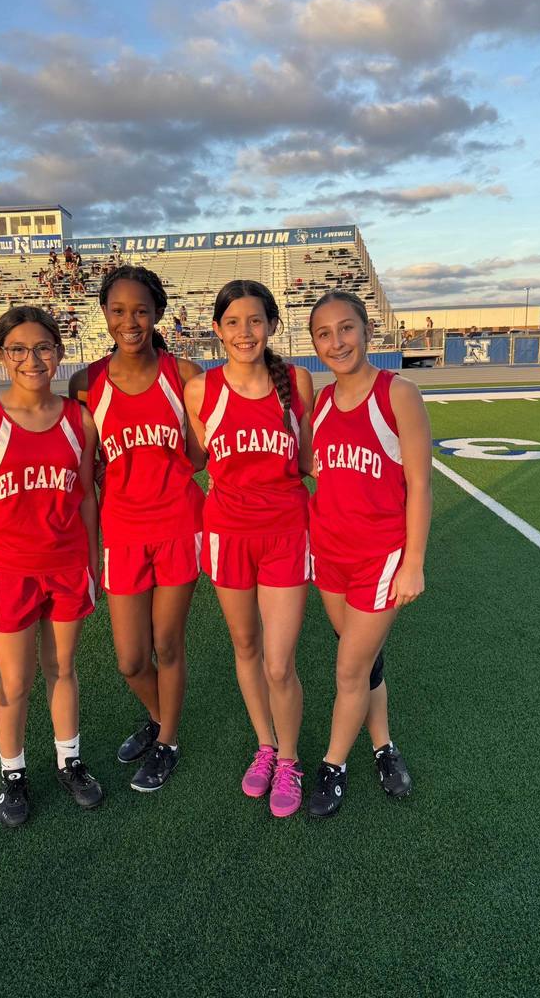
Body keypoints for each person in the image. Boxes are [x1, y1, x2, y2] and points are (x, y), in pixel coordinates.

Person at [0, 305, 103, 828]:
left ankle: (69, 761)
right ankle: (12, 773)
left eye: (42, 348)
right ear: (1, 355)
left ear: (58, 352)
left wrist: (93, 562)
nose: (32, 360)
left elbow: (87, 498)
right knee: (15, 681)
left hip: (66, 565)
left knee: (63, 668)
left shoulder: (79, 419)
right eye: (18, 349)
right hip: (7, 570)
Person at [69, 266, 205, 793]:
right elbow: (86, 460)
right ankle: (158, 716)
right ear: (105, 314)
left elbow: (199, 453)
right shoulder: (87, 384)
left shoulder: (184, 374)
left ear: (157, 314)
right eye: (119, 311)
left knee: (167, 645)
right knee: (130, 659)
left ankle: (168, 741)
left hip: (178, 524)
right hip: (122, 531)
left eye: (141, 311)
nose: (130, 322)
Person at [184, 280, 313, 819]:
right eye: (233, 322)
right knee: (245, 646)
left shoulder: (297, 381)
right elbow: (198, 458)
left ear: (272, 325)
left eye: (255, 320)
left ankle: (290, 758)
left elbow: (307, 461)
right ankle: (265, 744)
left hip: (286, 532)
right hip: (227, 534)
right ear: (217, 329)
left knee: (279, 665)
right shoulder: (200, 390)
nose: (245, 332)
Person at [305, 290, 431, 817]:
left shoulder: (398, 393)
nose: (337, 342)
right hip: (329, 555)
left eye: (346, 328)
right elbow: (316, 469)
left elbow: (420, 485)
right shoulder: (320, 402)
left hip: (380, 559)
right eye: (324, 334)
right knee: (365, 660)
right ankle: (384, 746)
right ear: (314, 344)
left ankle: (333, 766)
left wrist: (413, 562)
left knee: (349, 670)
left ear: (367, 331)